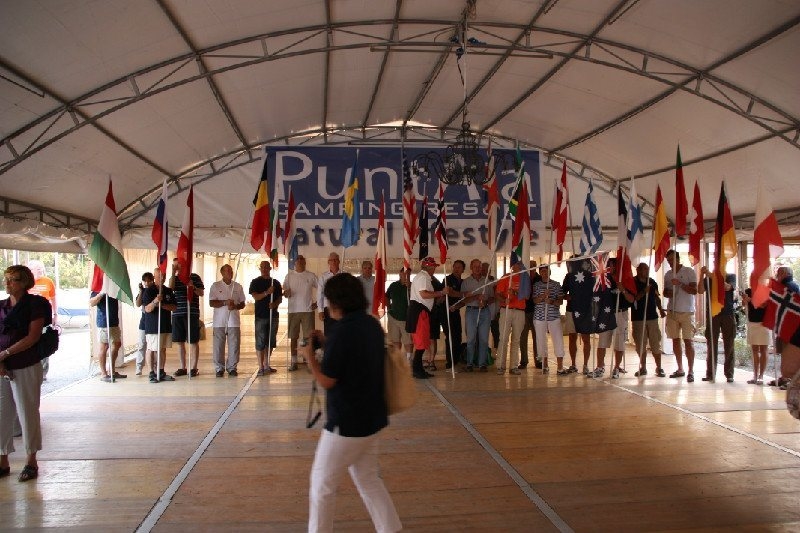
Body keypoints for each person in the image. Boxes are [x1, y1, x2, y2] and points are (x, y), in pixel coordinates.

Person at [305, 273, 402, 533]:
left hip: (346, 424)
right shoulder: (371, 324)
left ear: (336, 302)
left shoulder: (341, 332)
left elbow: (327, 380)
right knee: (369, 480)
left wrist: (310, 358)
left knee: (321, 486)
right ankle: (390, 529)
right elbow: (354, 354)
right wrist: (327, 343)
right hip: (372, 418)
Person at [0, 265, 50, 482]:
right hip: (3, 366)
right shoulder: (2, 306)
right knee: (2, 414)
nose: (7, 283)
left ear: (24, 282)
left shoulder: (35, 305)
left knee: (27, 411)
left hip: (26, 364)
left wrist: (6, 353)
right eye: (6, 279)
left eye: (12, 279)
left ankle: (31, 460)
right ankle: (3, 459)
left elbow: (32, 337)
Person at [406, 257, 449, 379]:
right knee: (420, 343)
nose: (434, 269)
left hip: (421, 311)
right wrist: (441, 293)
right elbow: (424, 294)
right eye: (434, 267)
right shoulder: (423, 277)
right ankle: (416, 370)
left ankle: (418, 369)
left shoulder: (423, 277)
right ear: (429, 267)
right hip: (419, 312)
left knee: (423, 341)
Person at [663, 249, 698, 382]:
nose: (670, 262)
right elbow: (665, 292)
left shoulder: (689, 271)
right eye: (668, 260)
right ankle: (680, 368)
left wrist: (680, 284)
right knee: (675, 340)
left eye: (672, 259)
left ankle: (691, 370)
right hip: (672, 311)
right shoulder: (668, 275)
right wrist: (669, 292)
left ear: (678, 259)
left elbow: (694, 291)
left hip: (687, 311)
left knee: (688, 341)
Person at [697, 266, 737, 382]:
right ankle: (710, 374)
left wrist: (712, 276)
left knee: (729, 344)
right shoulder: (708, 279)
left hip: (727, 313)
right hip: (713, 314)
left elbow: (727, 287)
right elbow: (700, 291)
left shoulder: (730, 276)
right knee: (711, 344)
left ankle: (729, 374)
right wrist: (702, 275)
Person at [208, 264, 246, 377]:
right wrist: (225, 302)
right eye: (227, 271)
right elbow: (212, 302)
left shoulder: (238, 286)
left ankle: (232, 367)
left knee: (234, 345)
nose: (230, 272)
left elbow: (242, 303)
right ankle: (219, 368)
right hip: (219, 321)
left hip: (233, 321)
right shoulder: (215, 286)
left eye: (231, 270)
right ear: (222, 273)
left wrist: (235, 306)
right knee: (218, 346)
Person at [599, 257, 634, 379]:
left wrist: (622, 289)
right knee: (602, 341)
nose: (612, 268)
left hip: (620, 313)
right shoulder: (604, 280)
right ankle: (600, 366)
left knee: (619, 342)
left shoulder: (625, 280)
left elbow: (631, 299)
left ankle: (617, 367)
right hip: (606, 314)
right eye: (609, 265)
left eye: (614, 265)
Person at [170, 259, 205, 377]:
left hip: (192, 312)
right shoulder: (174, 278)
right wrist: (173, 273)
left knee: (193, 341)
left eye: (178, 264)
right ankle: (182, 367)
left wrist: (192, 287)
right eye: (174, 265)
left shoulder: (195, 277)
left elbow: (201, 293)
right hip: (177, 313)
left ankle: (194, 367)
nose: (176, 266)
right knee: (179, 341)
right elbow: (171, 288)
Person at [141, 267, 177, 383]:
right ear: (154, 277)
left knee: (162, 349)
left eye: (164, 276)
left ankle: (161, 371)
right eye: (160, 276)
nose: (162, 278)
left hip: (165, 325)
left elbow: (174, 307)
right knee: (152, 349)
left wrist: (163, 305)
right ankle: (151, 372)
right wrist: (155, 301)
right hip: (153, 326)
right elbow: (147, 309)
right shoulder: (148, 291)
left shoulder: (168, 291)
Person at [283, 255, 318, 371]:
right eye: (297, 260)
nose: (299, 261)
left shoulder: (311, 275)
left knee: (308, 338)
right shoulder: (289, 276)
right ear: (294, 263)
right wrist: (286, 293)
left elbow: (321, 288)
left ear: (305, 262)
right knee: (293, 337)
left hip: (307, 310)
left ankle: (307, 360)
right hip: (293, 310)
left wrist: (317, 303)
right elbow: (285, 291)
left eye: (301, 259)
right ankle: (294, 362)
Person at [631, 263, 666, 377]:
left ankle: (659, 367)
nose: (645, 271)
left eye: (647, 269)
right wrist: (643, 292)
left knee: (655, 343)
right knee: (640, 344)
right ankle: (643, 367)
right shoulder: (632, 282)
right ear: (638, 270)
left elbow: (656, 297)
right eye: (643, 269)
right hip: (638, 318)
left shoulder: (651, 282)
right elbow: (632, 299)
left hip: (652, 317)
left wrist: (660, 309)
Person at [494, 260, 529, 375]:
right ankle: (500, 365)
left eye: (519, 264)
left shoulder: (525, 278)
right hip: (506, 310)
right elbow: (498, 294)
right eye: (515, 264)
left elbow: (527, 296)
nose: (517, 266)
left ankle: (514, 366)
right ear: (512, 266)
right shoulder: (505, 277)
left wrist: (514, 293)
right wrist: (504, 300)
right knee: (503, 338)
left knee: (516, 339)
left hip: (519, 311)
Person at [460, 259, 495, 372]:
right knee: (471, 339)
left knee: (484, 339)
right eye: (475, 266)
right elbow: (463, 300)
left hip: (484, 312)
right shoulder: (466, 282)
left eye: (479, 266)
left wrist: (485, 302)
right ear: (471, 267)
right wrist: (476, 297)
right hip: (471, 312)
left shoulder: (486, 281)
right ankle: (469, 363)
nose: (477, 268)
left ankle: (482, 364)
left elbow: (492, 298)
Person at [249, 261, 282, 376]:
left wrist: (275, 304)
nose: (264, 269)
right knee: (260, 341)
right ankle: (260, 367)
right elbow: (256, 296)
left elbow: (279, 298)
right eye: (262, 267)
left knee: (270, 341)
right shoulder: (255, 282)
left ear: (270, 268)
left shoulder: (275, 283)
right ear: (260, 269)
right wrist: (267, 292)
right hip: (260, 316)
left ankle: (267, 364)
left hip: (273, 316)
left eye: (266, 267)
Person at [531, 265, 565, 374]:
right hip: (539, 317)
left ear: (549, 272)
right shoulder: (536, 285)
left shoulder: (556, 285)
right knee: (541, 340)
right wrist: (542, 296)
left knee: (558, 340)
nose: (544, 273)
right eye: (542, 271)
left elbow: (560, 301)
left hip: (553, 316)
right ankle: (545, 365)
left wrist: (552, 301)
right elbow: (535, 300)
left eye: (546, 271)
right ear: (540, 273)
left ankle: (560, 367)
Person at [26, 260, 56, 380]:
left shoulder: (48, 281)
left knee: (44, 343)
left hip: (45, 318)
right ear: (30, 271)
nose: (40, 270)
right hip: (29, 319)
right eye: (37, 268)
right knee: (30, 343)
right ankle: (31, 369)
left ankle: (43, 372)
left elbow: (53, 298)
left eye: (41, 268)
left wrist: (55, 314)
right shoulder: (26, 283)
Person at [773, 266, 800, 388]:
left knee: (789, 352)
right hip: (786, 326)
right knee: (784, 351)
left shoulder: (789, 287)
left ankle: (789, 380)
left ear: (784, 273)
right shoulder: (788, 286)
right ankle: (785, 378)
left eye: (778, 273)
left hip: (790, 327)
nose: (776, 276)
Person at [89, 291, 125, 382]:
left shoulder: (113, 287)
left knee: (117, 344)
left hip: (114, 321)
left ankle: (112, 371)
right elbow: (92, 302)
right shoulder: (98, 288)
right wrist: (101, 293)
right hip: (104, 322)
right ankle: (103, 374)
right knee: (104, 347)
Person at [562, 258, 590, 374]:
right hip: (571, 310)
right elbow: (562, 292)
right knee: (572, 337)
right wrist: (566, 296)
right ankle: (573, 364)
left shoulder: (588, 275)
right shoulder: (569, 276)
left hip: (584, 310)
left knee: (586, 338)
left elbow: (592, 291)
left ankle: (585, 365)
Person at [741, 287, 769, 384]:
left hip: (764, 322)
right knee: (754, 350)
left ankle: (761, 376)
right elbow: (744, 305)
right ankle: (755, 375)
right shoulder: (748, 291)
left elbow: (764, 305)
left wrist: (751, 300)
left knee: (763, 349)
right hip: (752, 322)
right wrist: (744, 299)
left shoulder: (766, 290)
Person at [385, 268, 412, 362]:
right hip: (393, 317)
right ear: (400, 274)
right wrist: (388, 308)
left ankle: (409, 361)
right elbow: (386, 296)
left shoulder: (412, 286)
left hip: (406, 318)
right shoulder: (393, 285)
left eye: (408, 274)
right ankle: (397, 361)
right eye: (404, 273)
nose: (405, 276)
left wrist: (409, 288)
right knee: (395, 340)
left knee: (408, 341)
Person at [443, 260, 465, 369]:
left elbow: (464, 300)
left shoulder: (463, 282)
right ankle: (450, 362)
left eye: (459, 267)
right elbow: (450, 293)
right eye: (455, 267)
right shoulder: (447, 279)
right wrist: (463, 294)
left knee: (458, 336)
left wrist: (457, 306)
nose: (456, 269)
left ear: (463, 270)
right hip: (445, 312)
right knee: (450, 336)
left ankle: (456, 360)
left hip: (455, 311)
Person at [520, 260, 542, 370]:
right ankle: (524, 361)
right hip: (524, 311)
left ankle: (538, 361)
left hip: (536, 311)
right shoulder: (523, 278)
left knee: (537, 337)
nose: (531, 268)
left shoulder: (540, 279)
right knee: (523, 337)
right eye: (530, 266)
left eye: (533, 266)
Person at [135, 272, 155, 376]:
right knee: (142, 344)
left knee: (153, 346)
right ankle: (139, 367)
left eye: (149, 281)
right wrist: (141, 291)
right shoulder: (142, 291)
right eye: (145, 281)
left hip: (153, 321)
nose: (147, 283)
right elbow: (138, 304)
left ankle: (154, 367)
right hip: (143, 321)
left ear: (153, 280)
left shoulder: (155, 290)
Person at [317, 252, 341, 335]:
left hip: (341, 308)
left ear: (339, 261)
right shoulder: (323, 277)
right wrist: (320, 311)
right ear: (328, 262)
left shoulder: (344, 275)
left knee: (341, 332)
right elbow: (320, 294)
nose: (333, 262)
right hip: (328, 308)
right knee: (329, 333)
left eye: (335, 260)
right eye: (331, 260)